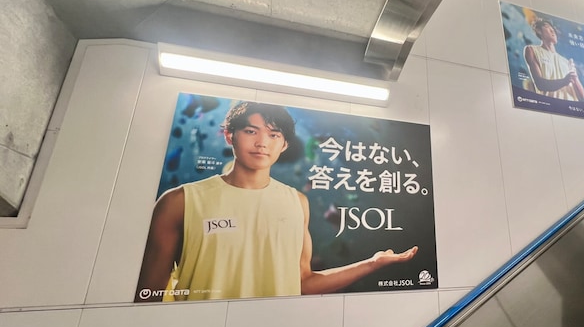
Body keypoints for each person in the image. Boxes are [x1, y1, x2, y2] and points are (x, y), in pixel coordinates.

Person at [135, 101, 417, 302]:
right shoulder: (180, 201)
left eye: (273, 135)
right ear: (229, 135)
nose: (262, 143)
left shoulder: (298, 202)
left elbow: (304, 283)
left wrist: (373, 263)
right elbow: (148, 295)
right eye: (251, 131)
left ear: (284, 145)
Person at [524, 18, 584, 101]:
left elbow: (581, 96)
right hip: (549, 104)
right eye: (547, 27)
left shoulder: (566, 62)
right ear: (539, 31)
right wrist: (564, 81)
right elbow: (540, 84)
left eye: (553, 29)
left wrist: (575, 78)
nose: (552, 30)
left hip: (570, 105)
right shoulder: (532, 50)